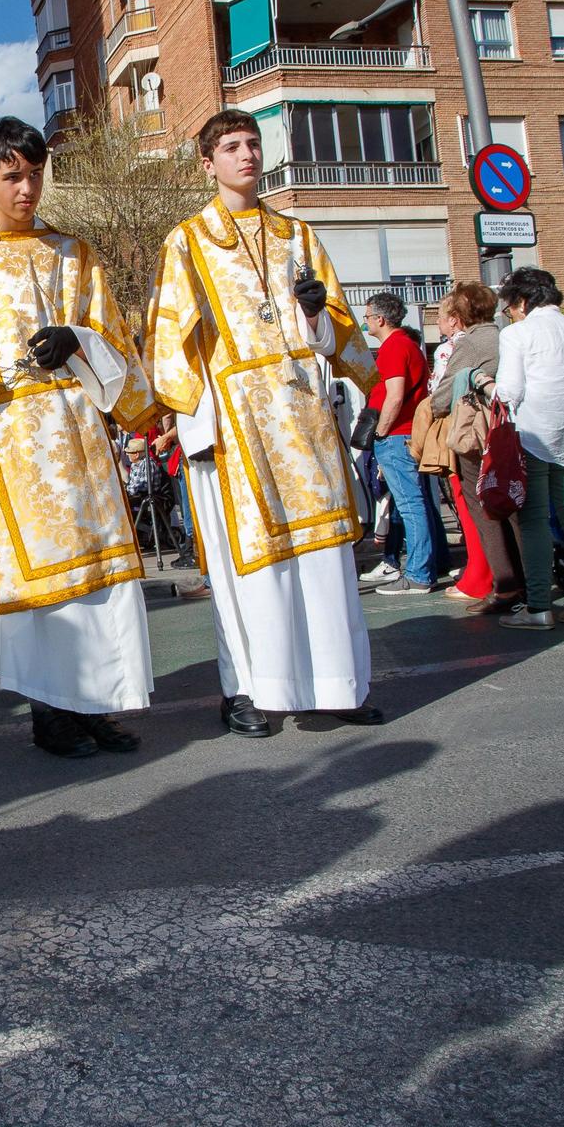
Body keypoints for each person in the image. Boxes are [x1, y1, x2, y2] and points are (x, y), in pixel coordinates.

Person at [0, 116, 158, 757]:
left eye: (36, 173)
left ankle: (98, 704)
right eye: (13, 176)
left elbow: (119, 348)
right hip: (11, 440)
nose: (28, 188)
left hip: (77, 430)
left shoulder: (78, 255)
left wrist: (79, 341)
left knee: (101, 581)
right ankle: (50, 712)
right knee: (40, 589)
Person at [144, 109, 381, 734]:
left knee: (322, 556)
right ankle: (247, 688)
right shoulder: (188, 240)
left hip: (303, 413)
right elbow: (171, 341)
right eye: (230, 146)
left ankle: (336, 685)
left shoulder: (298, 235)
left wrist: (315, 317)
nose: (246, 155)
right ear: (207, 163)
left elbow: (338, 334)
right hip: (236, 420)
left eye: (252, 143)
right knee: (247, 563)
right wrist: (195, 428)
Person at [492, 267, 564, 630]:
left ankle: (539, 606)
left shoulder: (517, 333)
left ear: (522, 301)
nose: (509, 312)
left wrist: (484, 384)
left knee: (535, 519)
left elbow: (509, 391)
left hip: (533, 433)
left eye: (510, 306)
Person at [429, 283, 520, 613]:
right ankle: (525, 580)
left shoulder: (471, 343)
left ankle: (505, 586)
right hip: (512, 428)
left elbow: (443, 395)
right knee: (515, 506)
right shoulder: (507, 335)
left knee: (484, 507)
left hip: (477, 433)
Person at [360, 292, 437, 596]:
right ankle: (426, 567)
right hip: (406, 433)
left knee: (409, 505)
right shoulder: (408, 345)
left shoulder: (394, 347)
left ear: (380, 319)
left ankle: (419, 573)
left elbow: (394, 395)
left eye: (367, 318)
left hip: (397, 435)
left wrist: (380, 431)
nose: (366, 324)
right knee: (414, 504)